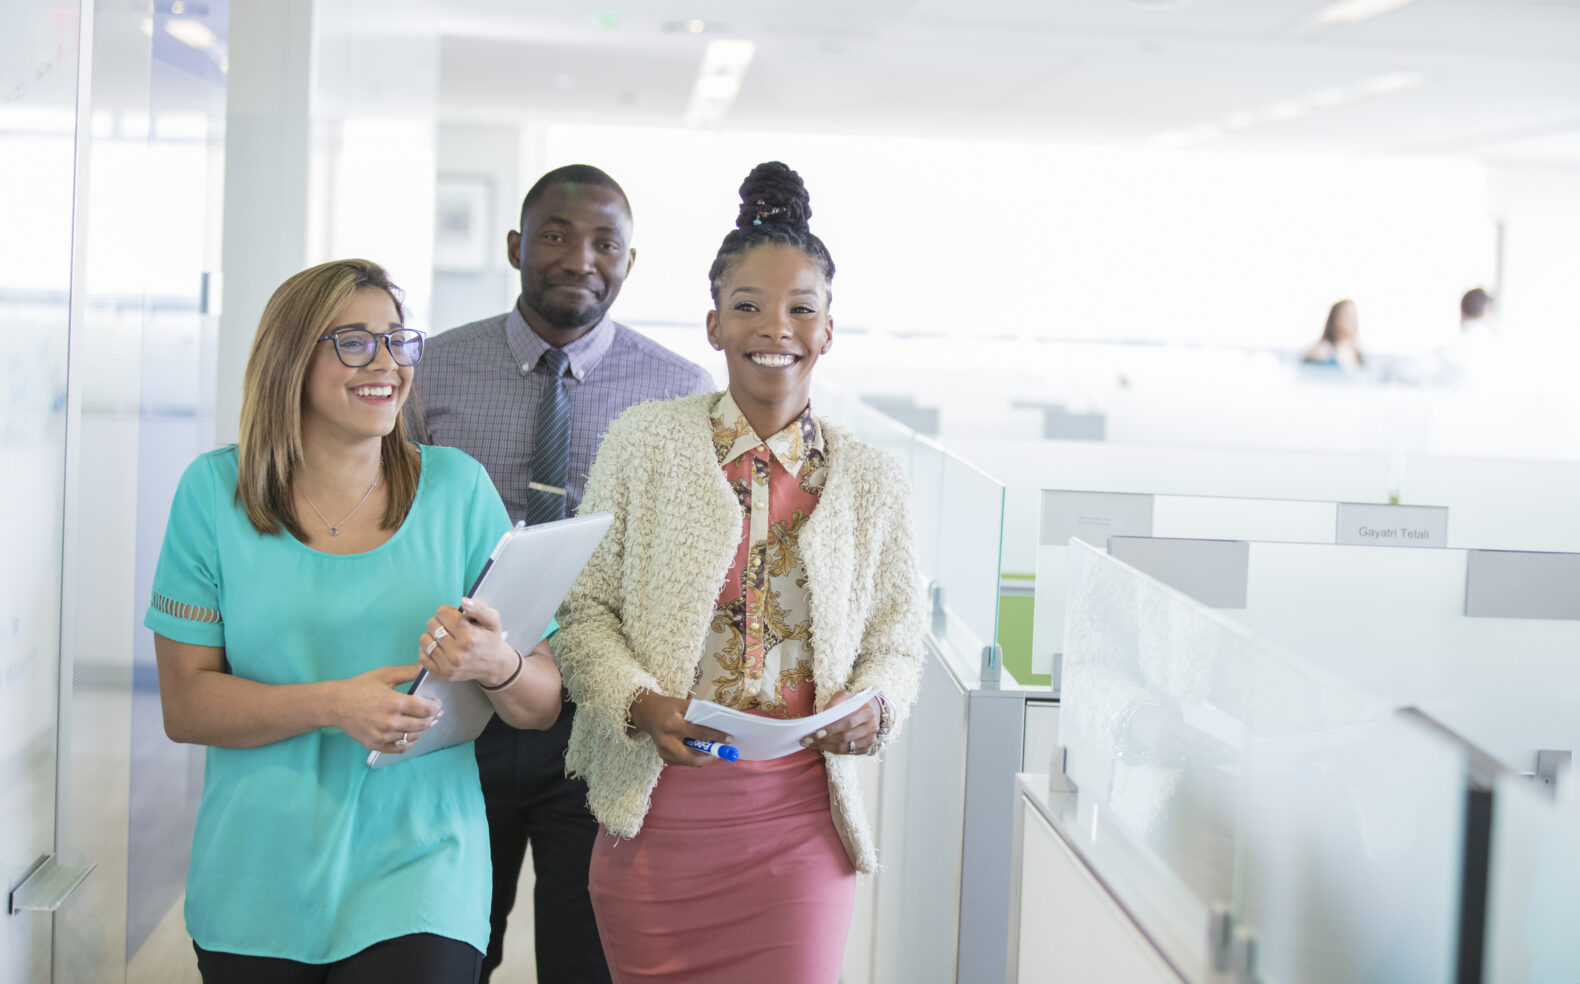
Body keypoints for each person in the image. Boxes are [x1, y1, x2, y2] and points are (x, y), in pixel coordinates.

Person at [555, 161, 926, 983]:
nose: (776, 328)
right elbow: (583, 615)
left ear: (829, 329)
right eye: (748, 307)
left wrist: (879, 708)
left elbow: (900, 637)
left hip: (800, 822)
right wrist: (640, 702)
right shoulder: (643, 443)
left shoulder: (872, 478)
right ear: (714, 324)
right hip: (658, 814)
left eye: (802, 308)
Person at [145, 258, 563, 983]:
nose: (387, 364)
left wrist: (500, 666)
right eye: (354, 342)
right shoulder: (213, 494)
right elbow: (186, 705)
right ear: (289, 358)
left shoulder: (458, 490)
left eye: (398, 341)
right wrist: (335, 704)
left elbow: (541, 702)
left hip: (423, 867)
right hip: (257, 875)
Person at [406, 164, 713, 983]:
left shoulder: (680, 395)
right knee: (451, 947)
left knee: (589, 961)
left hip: (599, 715)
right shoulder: (433, 370)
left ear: (630, 261)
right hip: (458, 702)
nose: (581, 258)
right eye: (555, 235)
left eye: (604, 242)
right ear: (515, 246)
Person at [1302, 298, 1365, 371]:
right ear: (1334, 319)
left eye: (1354, 316)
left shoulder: (1359, 356)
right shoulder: (1321, 352)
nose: (1352, 321)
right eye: (1347, 316)